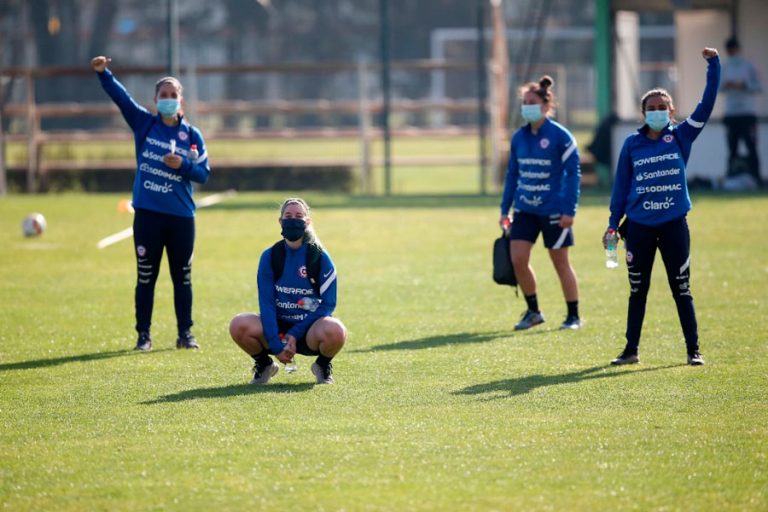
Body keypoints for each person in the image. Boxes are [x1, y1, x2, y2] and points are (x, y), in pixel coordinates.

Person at [606, 47, 720, 366]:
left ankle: (693, 350)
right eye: (650, 108)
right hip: (639, 227)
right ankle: (631, 351)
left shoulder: (681, 136)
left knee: (681, 290)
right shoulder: (632, 144)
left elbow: (707, 103)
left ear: (671, 111)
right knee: (637, 291)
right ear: (643, 113)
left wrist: (714, 65)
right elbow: (620, 189)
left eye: (662, 107)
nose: (656, 111)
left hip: (673, 226)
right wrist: (613, 224)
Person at [91, 55, 211, 351]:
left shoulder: (192, 135)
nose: (168, 99)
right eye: (163, 95)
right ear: (156, 100)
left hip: (182, 218)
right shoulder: (144, 125)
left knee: (182, 278)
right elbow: (123, 99)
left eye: (173, 95)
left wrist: (182, 164)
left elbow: (203, 174)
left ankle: (186, 335)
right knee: (146, 277)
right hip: (148, 216)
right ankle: (143, 336)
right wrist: (104, 73)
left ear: (180, 101)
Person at [229, 198, 347, 385]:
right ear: (280, 221)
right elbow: (267, 303)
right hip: (277, 329)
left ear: (307, 222)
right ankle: (265, 365)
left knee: (336, 330)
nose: (293, 220)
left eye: (299, 216)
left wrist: (295, 333)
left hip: (309, 330)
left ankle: (322, 366)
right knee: (238, 324)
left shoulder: (319, 256)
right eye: (288, 216)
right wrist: (276, 343)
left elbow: (328, 304)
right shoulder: (270, 255)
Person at [499, 75, 582, 331]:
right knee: (518, 260)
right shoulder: (519, 138)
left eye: (532, 102)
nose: (527, 107)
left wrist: (569, 210)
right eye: (524, 102)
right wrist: (505, 210)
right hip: (524, 209)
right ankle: (534, 311)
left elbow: (573, 174)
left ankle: (573, 315)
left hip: (554, 211)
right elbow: (512, 174)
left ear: (546, 105)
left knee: (560, 263)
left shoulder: (560, 136)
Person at [720, 37, 763, 186]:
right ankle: (731, 178)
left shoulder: (749, 66)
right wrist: (728, 85)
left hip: (747, 113)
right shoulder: (724, 67)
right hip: (731, 113)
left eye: (734, 50)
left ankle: (757, 178)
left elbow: (759, 87)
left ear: (738, 49)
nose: (732, 53)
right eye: (729, 51)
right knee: (732, 148)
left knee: (751, 147)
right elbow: (718, 88)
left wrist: (744, 84)